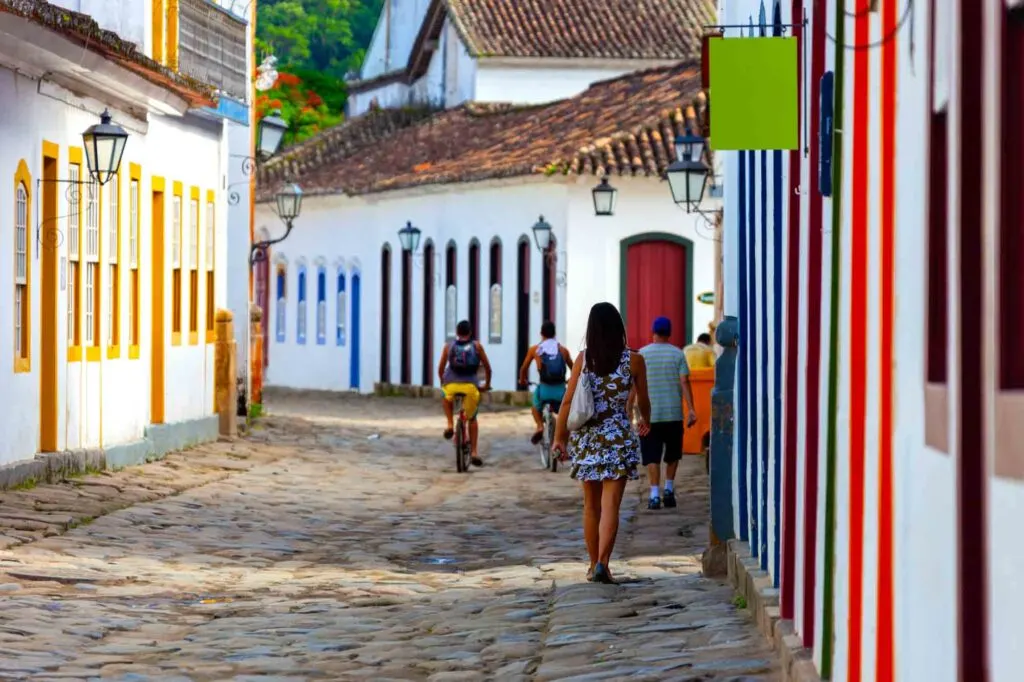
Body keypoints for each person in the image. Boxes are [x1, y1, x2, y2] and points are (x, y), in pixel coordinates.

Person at [553, 302, 651, 584]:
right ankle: (604, 565)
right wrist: (646, 419)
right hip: (618, 436)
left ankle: (592, 561)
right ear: (619, 328)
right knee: (611, 507)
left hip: (588, 438)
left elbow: (569, 400)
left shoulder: (584, 359)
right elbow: (643, 399)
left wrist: (560, 437)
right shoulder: (634, 360)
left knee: (590, 506)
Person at [631, 316, 697, 510]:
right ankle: (668, 489)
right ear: (670, 333)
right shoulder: (678, 354)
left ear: (653, 332)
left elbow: (634, 385)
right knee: (673, 453)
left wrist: (628, 409)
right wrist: (691, 408)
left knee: (651, 455)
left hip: (648, 415)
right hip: (673, 414)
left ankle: (653, 495)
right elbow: (684, 381)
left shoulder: (641, 354)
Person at [438, 320, 492, 467]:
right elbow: (488, 368)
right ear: (470, 333)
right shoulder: (477, 346)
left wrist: (443, 382)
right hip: (470, 387)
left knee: (445, 396)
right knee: (472, 418)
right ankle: (474, 452)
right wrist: (486, 385)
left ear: (456, 332)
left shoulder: (448, 347)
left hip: (451, 385)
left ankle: (449, 424)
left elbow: (440, 368)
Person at [518, 320, 574, 444]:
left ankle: (539, 426)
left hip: (544, 390)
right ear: (554, 334)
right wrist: (569, 380)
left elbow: (523, 368)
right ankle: (563, 441)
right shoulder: (563, 350)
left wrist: (522, 380)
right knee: (565, 415)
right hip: (560, 391)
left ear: (541, 334)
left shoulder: (535, 350)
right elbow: (574, 370)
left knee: (535, 406)